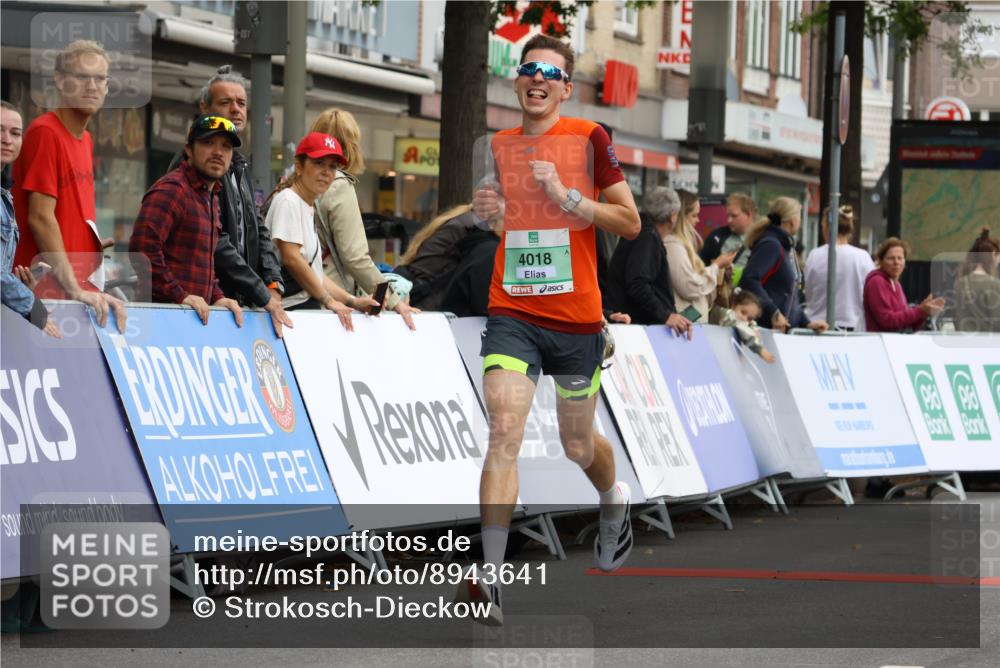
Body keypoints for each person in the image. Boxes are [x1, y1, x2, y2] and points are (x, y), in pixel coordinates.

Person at [458, 34, 641, 625]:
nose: (537, 79)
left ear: (566, 87)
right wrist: (493, 215)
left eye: (550, 72)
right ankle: (490, 574)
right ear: (517, 81)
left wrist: (569, 197)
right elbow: (513, 217)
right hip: (512, 311)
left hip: (576, 321)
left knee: (576, 445)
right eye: (528, 69)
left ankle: (614, 500)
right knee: (503, 430)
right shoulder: (501, 144)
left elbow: (631, 222)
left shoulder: (590, 139)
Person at [168, 66, 292, 337]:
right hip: (204, 306)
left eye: (241, 103)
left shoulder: (238, 163)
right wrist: (259, 291)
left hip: (238, 304)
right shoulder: (191, 165)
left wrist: (273, 283)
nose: (236, 109)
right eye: (226, 102)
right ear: (204, 107)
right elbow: (217, 239)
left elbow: (258, 228)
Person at [11, 40, 125, 331]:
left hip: (72, 296)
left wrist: (89, 243)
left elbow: (65, 217)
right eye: (82, 77)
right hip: (38, 299)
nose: (92, 86)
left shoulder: (85, 140)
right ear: (60, 81)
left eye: (100, 78)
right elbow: (40, 218)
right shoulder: (45, 132)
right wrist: (75, 288)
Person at [129, 116, 244, 325]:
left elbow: (201, 262)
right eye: (208, 143)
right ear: (189, 150)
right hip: (160, 320)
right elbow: (142, 251)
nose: (218, 152)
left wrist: (217, 296)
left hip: (189, 322)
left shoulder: (211, 196)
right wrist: (179, 295)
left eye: (226, 146)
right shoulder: (173, 190)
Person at [309, 107, 415, 329]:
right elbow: (355, 258)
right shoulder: (338, 186)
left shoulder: (300, 180)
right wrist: (395, 301)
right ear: (351, 147)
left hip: (303, 292)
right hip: (332, 303)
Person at [263, 132, 377, 329]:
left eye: (332, 166)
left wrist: (352, 302)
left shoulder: (306, 205)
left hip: (299, 310)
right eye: (318, 163)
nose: (326, 172)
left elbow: (314, 272)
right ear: (299, 166)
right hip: (286, 314)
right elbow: (292, 259)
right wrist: (329, 301)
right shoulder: (288, 201)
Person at [1, 100, 59, 336]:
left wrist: (18, 283)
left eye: (15, 133)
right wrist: (32, 307)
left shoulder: (6, 195)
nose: (7, 139)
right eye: (0, 130)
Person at [606, 187, 693, 335]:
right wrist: (666, 315)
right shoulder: (648, 237)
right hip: (638, 329)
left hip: (630, 324)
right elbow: (637, 284)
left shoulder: (638, 231)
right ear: (673, 216)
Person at [741, 197, 828, 333]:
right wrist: (773, 312)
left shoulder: (785, 246)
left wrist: (807, 323)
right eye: (800, 217)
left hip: (780, 332)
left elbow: (790, 296)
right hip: (765, 331)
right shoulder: (772, 245)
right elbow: (749, 280)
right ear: (793, 221)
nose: (800, 221)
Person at [665, 189, 734, 323]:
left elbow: (701, 296)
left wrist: (719, 275)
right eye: (694, 215)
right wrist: (716, 266)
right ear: (680, 217)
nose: (698, 220)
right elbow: (689, 287)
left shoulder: (683, 245)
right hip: (682, 327)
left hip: (692, 324)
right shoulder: (673, 245)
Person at [804, 204, 874, 331]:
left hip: (817, 325)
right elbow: (871, 294)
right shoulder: (863, 257)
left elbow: (809, 291)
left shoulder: (814, 255)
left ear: (825, 226)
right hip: (852, 325)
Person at [863, 237, 945, 333]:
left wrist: (924, 313)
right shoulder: (877, 282)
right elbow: (887, 321)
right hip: (881, 344)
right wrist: (919, 311)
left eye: (900, 258)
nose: (896, 262)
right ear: (881, 261)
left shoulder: (896, 284)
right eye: (891, 258)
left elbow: (906, 323)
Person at [699, 192, 756, 285]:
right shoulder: (716, 236)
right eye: (728, 215)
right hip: (721, 294)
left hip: (750, 295)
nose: (729, 220)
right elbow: (701, 265)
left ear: (749, 215)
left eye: (734, 216)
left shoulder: (763, 238)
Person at [954, 227, 1000, 332]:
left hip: (962, 344)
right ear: (993, 254)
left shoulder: (959, 283)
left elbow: (956, 319)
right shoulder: (994, 284)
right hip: (989, 345)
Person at [717, 290, 776, 363]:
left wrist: (754, 328)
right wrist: (760, 349)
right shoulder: (724, 314)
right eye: (743, 312)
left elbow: (750, 323)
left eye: (749, 318)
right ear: (733, 304)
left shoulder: (745, 322)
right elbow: (738, 324)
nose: (745, 319)